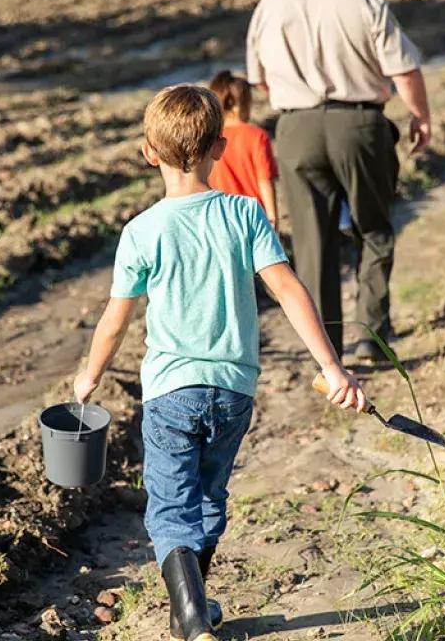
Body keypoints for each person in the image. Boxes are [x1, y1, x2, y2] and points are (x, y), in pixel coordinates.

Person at [72, 85, 367, 641]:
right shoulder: (244, 213)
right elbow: (289, 290)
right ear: (220, 148)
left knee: (169, 509)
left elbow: (115, 320)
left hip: (169, 391)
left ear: (147, 153)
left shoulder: (141, 231)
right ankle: (194, 611)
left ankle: (188, 617)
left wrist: (90, 376)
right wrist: (332, 367)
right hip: (233, 390)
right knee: (208, 500)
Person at [246, 0, 432, 362]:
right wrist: (421, 118)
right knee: (373, 227)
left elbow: (259, 82)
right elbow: (403, 69)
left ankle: (325, 350)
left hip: (296, 128)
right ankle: (372, 334)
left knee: (312, 243)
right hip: (360, 125)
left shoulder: (272, 3)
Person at [206, 70, 279, 230]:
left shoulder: (208, 138)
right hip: (253, 219)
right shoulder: (257, 136)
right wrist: (273, 220)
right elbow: (265, 180)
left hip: (218, 218)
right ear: (238, 105)